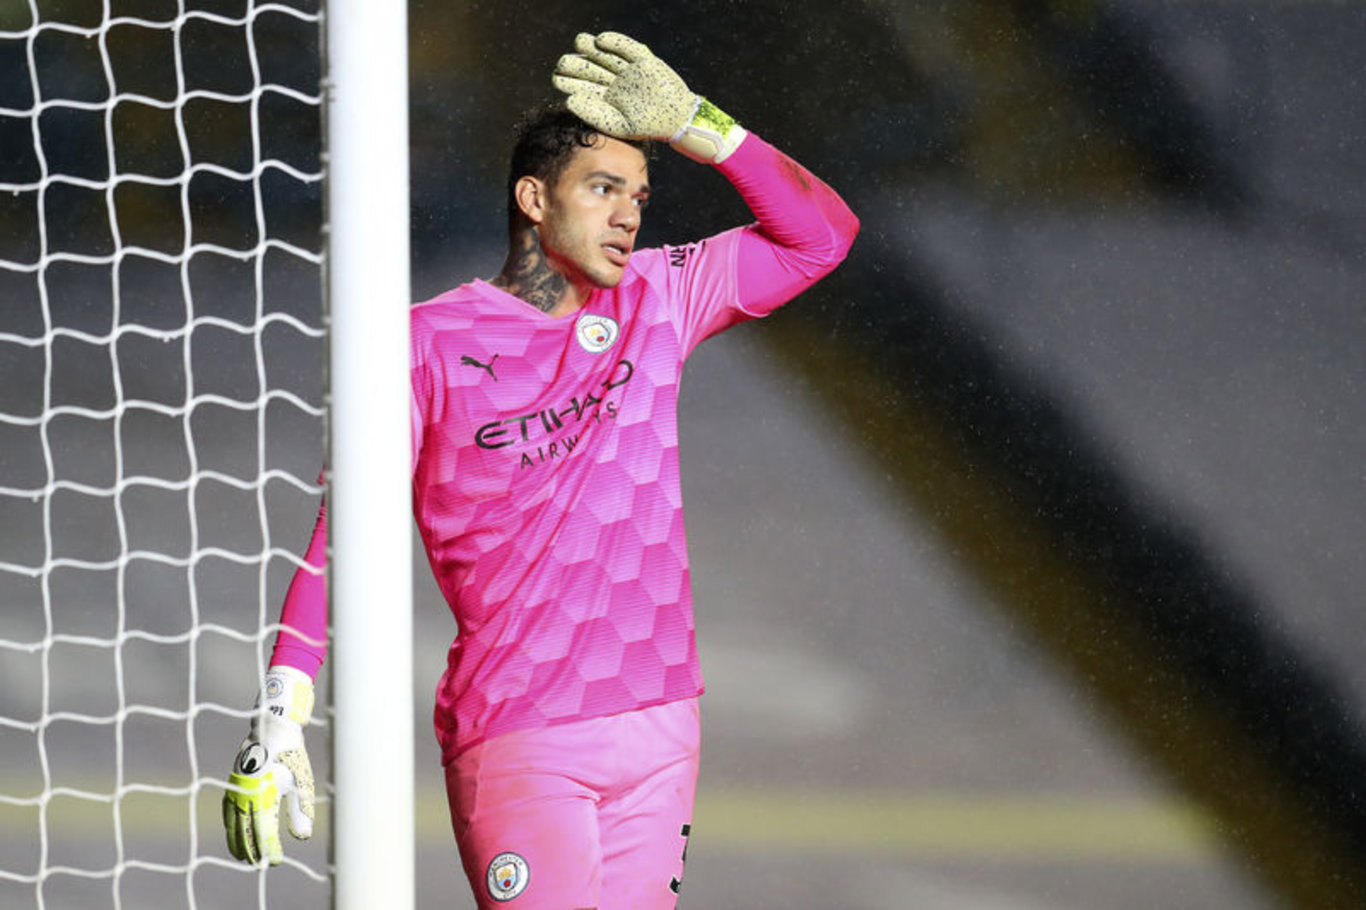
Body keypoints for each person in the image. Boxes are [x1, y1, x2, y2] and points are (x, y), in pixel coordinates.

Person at [222, 30, 858, 909]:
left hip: (662, 725)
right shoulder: (422, 345)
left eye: (639, 195)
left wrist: (695, 123)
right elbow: (343, 537)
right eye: (602, 189)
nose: (629, 215)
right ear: (533, 197)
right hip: (522, 731)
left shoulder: (659, 295)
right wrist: (281, 704)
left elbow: (822, 237)